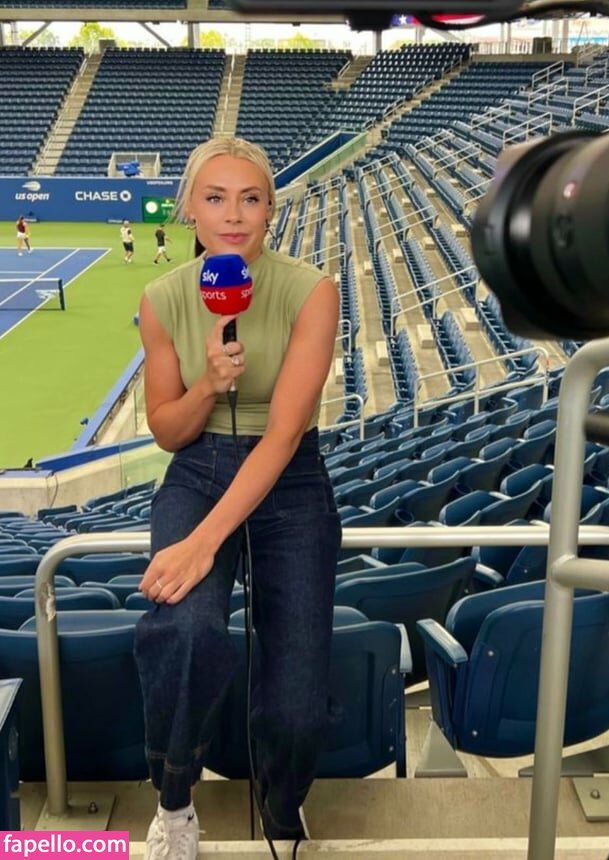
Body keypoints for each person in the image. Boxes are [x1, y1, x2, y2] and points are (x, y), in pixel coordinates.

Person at [134, 137, 341, 860]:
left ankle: (282, 810)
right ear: (189, 209)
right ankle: (174, 802)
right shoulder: (162, 299)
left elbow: (283, 435)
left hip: (290, 476)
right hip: (198, 469)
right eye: (215, 198)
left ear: (270, 211)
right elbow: (167, 430)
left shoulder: (312, 291)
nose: (233, 215)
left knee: (297, 699)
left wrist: (203, 543)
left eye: (250, 199)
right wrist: (207, 387)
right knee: (184, 630)